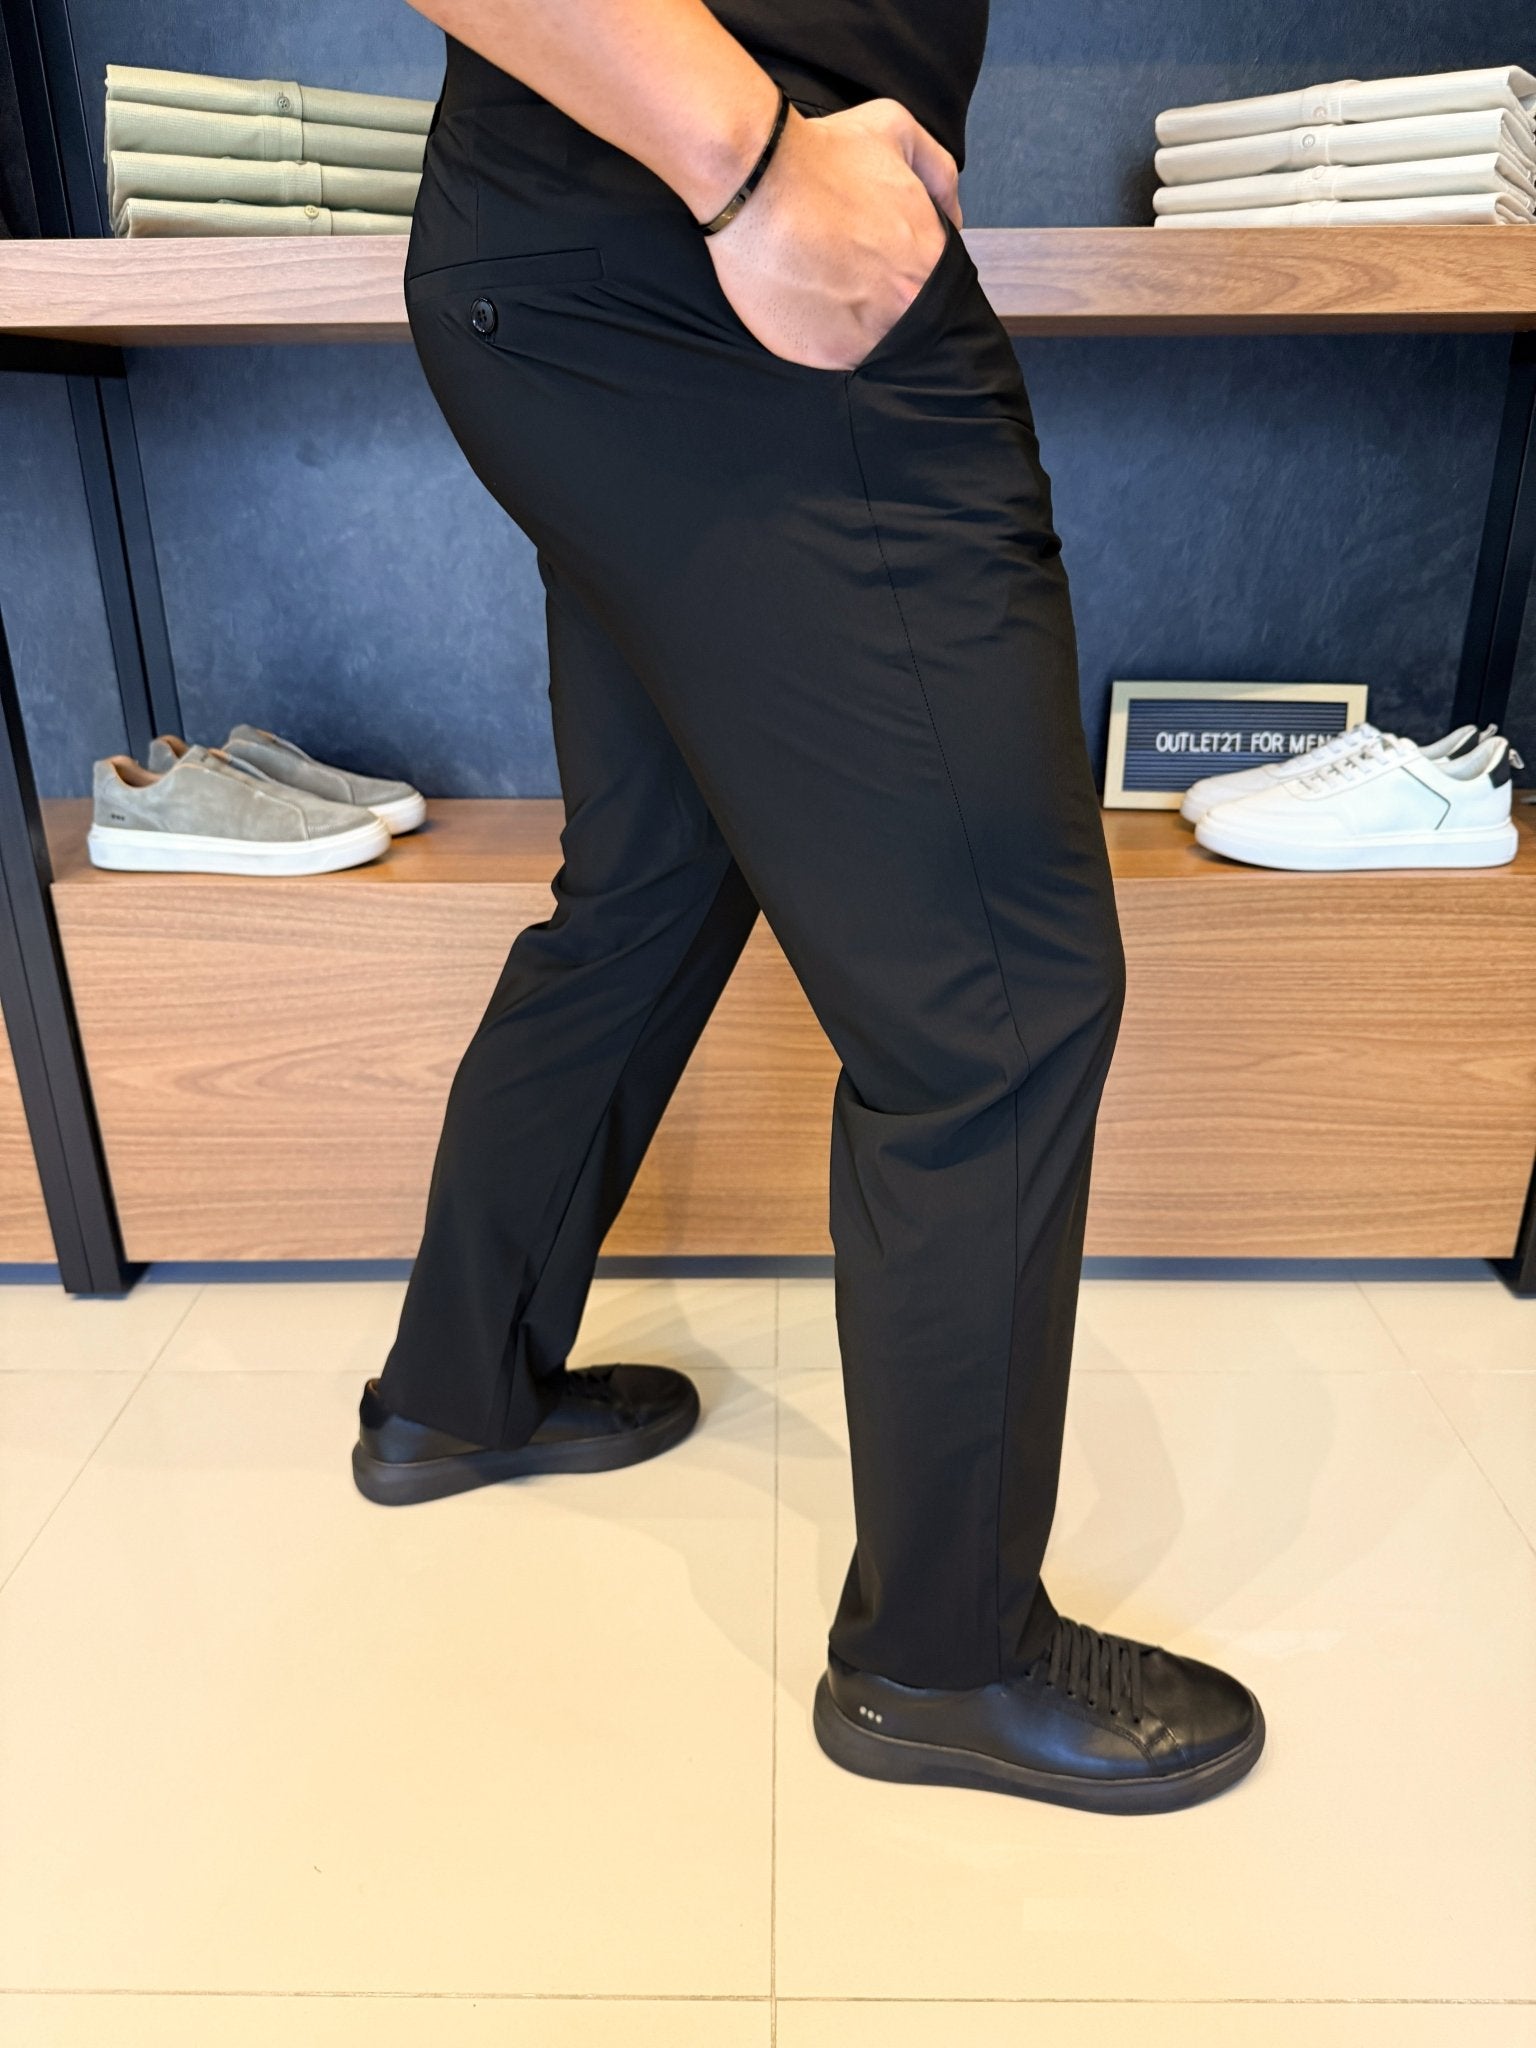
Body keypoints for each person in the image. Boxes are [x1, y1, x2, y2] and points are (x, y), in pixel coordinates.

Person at [351, 0, 1265, 1814]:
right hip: (730, 267)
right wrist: (757, 166)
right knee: (995, 1008)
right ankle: (946, 1660)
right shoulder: (746, 197)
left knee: (654, 880)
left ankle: (456, 1387)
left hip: (569, 267)